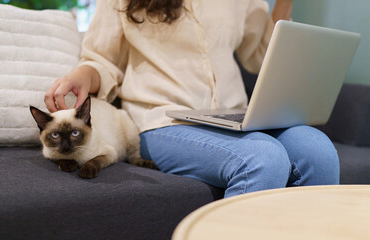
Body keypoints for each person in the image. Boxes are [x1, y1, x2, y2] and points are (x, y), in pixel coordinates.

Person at [44, 0, 339, 198]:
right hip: (162, 120)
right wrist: (83, 75)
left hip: (235, 117)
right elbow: (102, 60)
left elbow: (261, 57)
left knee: (319, 151)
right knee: (263, 158)